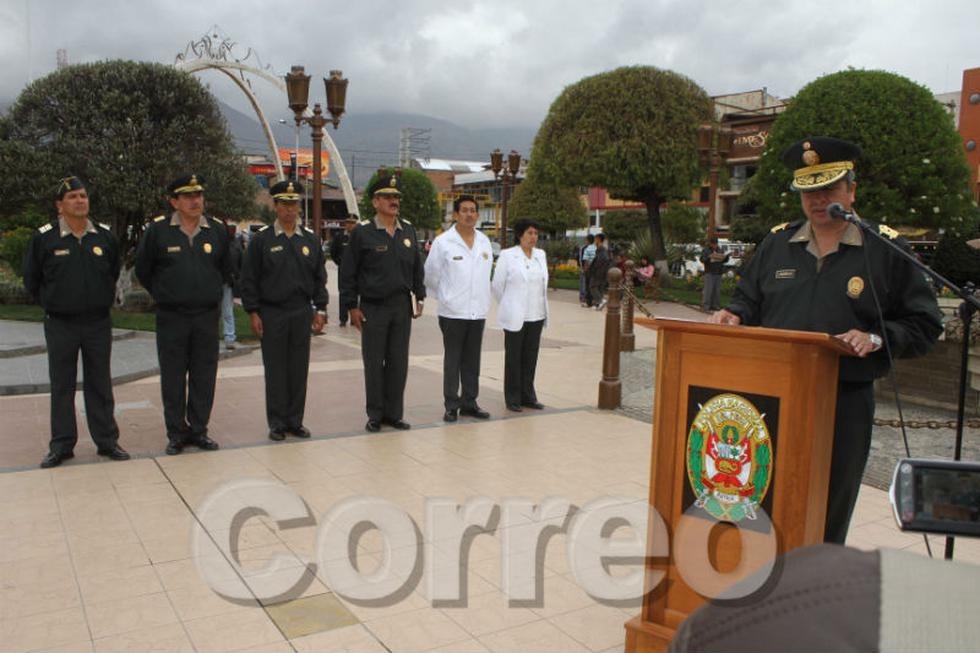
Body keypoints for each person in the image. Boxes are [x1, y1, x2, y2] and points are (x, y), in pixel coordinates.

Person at [709, 136, 942, 543]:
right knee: (765, 497)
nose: (817, 200)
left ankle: (816, 587)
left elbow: (925, 322)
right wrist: (735, 315)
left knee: (827, 506)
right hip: (771, 398)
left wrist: (876, 337)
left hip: (843, 401)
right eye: (808, 191)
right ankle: (763, 586)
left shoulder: (884, 248)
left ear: (851, 189)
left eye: (829, 189)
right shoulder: (777, 243)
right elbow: (749, 300)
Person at [23, 176, 129, 468]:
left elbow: (112, 272)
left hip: (97, 322)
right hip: (61, 323)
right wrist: (53, 302)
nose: (80, 201)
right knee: (62, 385)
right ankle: (61, 445)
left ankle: (107, 441)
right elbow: (32, 279)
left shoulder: (104, 237)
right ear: (60, 206)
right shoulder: (44, 238)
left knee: (100, 384)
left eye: (83, 196)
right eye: (72, 197)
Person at [135, 174, 229, 456]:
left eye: (198, 194)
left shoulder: (216, 231)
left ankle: (199, 430)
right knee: (173, 376)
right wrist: (166, 292)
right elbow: (144, 270)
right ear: (174, 201)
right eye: (188, 196)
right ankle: (176, 432)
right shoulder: (158, 231)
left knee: (204, 375)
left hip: (205, 316)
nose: (195, 200)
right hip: (172, 316)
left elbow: (225, 269)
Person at [240, 181, 327, 442]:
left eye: (294, 204)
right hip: (272, 312)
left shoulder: (310, 240)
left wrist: (320, 309)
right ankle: (277, 422)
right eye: (285, 204)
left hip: (301, 311)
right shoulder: (262, 240)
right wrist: (253, 312)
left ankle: (295, 421)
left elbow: (318, 278)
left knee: (299, 369)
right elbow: (249, 279)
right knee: (276, 369)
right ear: (275, 206)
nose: (290, 209)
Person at [339, 170, 425, 432]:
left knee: (398, 362)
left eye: (396, 196)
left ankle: (394, 413)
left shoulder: (408, 230)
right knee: (374, 362)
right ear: (375, 202)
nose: (393, 201)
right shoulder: (363, 233)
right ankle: (375, 414)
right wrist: (351, 306)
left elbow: (416, 268)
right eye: (387, 196)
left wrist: (419, 295)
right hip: (373, 307)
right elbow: (348, 272)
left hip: (401, 307)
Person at [424, 195, 493, 423]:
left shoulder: (484, 242)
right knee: (452, 360)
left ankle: (470, 402)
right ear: (456, 214)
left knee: (472, 360)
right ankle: (451, 404)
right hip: (453, 312)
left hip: (477, 312)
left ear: (477, 215)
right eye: (464, 210)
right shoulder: (444, 242)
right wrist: (446, 297)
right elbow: (431, 275)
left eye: (473, 210)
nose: (469, 214)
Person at [492, 219, 549, 412]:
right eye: (530, 233)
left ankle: (528, 396)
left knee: (530, 358)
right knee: (514, 358)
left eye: (535, 233)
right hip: (515, 316)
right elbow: (497, 286)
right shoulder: (508, 256)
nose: (533, 237)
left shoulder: (540, 255)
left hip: (536, 314)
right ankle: (513, 398)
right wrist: (510, 304)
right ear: (520, 235)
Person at [329, 215, 358, 326]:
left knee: (356, 294)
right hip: (344, 271)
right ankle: (343, 319)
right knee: (343, 293)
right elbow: (333, 252)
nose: (350, 225)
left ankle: (354, 318)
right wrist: (340, 263)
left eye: (352, 223)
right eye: (348, 223)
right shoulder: (339, 237)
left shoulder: (359, 237)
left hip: (357, 271)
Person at [221, 223, 243, 349]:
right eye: (230, 228)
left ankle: (230, 337)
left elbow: (240, 262)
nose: (232, 231)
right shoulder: (219, 241)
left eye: (233, 228)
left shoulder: (236, 244)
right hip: (215, 282)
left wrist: (237, 277)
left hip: (227, 282)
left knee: (228, 311)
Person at [700, 236, 729, 312]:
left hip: (718, 272)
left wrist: (725, 258)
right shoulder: (706, 250)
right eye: (713, 243)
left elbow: (724, 260)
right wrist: (709, 257)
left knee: (717, 290)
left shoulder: (720, 250)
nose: (715, 245)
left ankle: (715, 305)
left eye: (716, 243)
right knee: (708, 290)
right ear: (710, 243)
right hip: (709, 272)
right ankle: (706, 306)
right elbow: (702, 259)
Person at [588, 233, 611, 311]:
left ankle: (601, 301)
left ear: (598, 239)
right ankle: (598, 305)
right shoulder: (600, 249)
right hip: (601, 273)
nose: (594, 241)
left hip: (598, 273)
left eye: (595, 239)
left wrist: (594, 269)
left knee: (592, 286)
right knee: (599, 288)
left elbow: (601, 261)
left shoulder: (602, 250)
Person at [578, 234, 596, 307]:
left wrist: (582, 268)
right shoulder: (595, 248)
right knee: (590, 284)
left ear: (587, 240)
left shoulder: (585, 248)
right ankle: (591, 298)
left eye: (585, 239)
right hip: (594, 269)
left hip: (586, 269)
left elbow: (583, 259)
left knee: (584, 283)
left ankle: (584, 297)